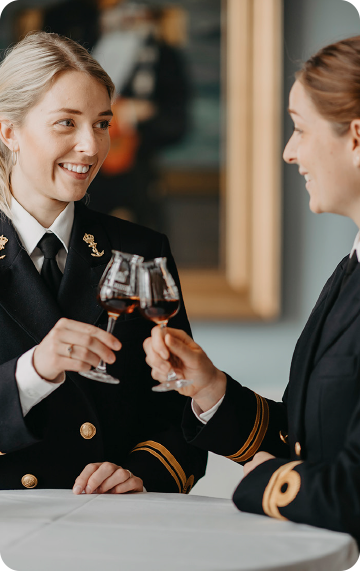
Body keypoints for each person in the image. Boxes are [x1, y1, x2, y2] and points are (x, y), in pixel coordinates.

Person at [144, 35, 360, 544]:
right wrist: (210, 388)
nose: (289, 152)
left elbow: (349, 491)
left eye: (300, 129)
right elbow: (311, 440)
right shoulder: (349, 269)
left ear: (355, 137)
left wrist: (260, 481)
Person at [0, 31, 206, 495]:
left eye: (102, 124)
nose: (92, 148)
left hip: (110, 530)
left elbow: (178, 410)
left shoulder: (141, 249)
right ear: (8, 130)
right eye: (66, 123)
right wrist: (34, 372)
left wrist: (140, 472)